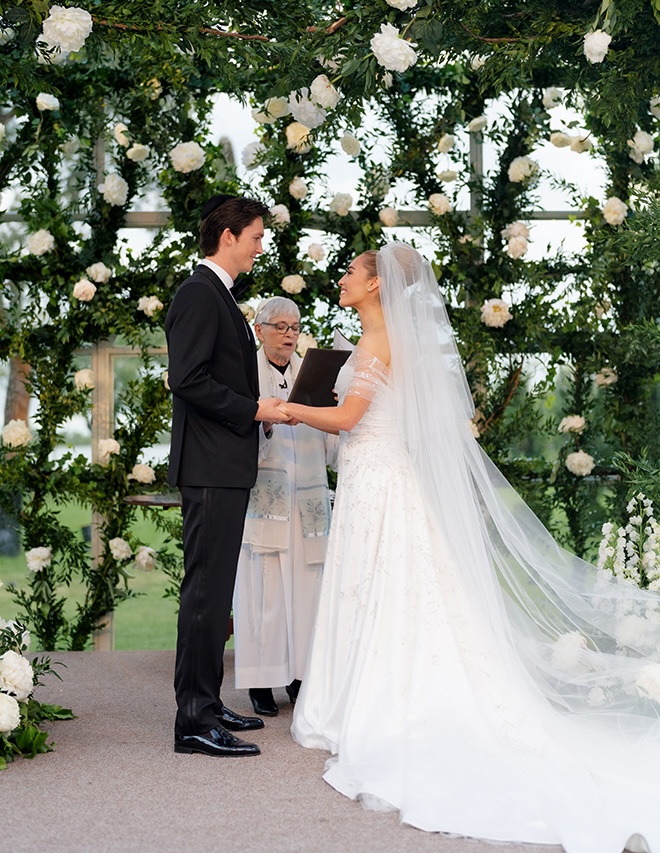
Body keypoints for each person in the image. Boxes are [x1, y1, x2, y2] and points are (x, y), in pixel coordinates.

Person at [278, 242, 660, 853]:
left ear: (376, 287)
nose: (343, 278)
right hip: (372, 477)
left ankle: (377, 702)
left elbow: (350, 419)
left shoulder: (378, 344)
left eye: (353, 272)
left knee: (385, 583)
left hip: (379, 481)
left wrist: (287, 408)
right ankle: (351, 695)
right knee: (382, 584)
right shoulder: (372, 343)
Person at [165, 195, 290, 758]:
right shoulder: (198, 294)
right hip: (211, 467)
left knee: (216, 595)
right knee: (205, 595)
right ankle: (191, 719)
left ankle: (206, 703)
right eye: (257, 236)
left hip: (225, 464)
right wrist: (255, 409)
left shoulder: (219, 296)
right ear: (229, 237)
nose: (261, 245)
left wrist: (253, 409)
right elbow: (186, 380)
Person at [233, 296, 338, 716]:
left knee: (309, 591)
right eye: (280, 326)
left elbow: (332, 451)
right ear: (259, 330)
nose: (289, 334)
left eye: (295, 327)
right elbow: (236, 430)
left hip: (309, 498)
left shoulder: (309, 375)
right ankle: (262, 681)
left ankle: (300, 678)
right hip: (267, 497)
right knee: (265, 592)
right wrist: (268, 420)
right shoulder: (245, 373)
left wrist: (330, 408)